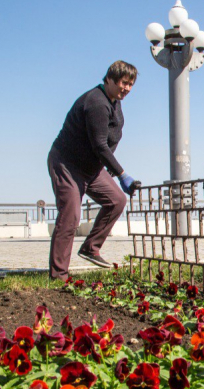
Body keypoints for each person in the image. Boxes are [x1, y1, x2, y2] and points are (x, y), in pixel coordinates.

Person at [46, 60, 141, 280]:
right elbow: (99, 145)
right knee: (70, 216)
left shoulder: (114, 102)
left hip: (92, 167)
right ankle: (59, 275)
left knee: (117, 200)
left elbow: (108, 142)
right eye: (123, 83)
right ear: (109, 79)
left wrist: (110, 171)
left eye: (131, 84)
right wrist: (122, 174)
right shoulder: (96, 102)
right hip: (68, 164)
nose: (126, 88)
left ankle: (91, 247)